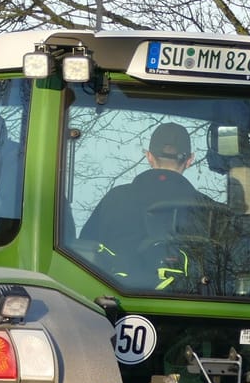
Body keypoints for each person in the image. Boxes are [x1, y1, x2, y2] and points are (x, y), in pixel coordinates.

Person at [80, 122, 211, 285]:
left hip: (114, 301)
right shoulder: (208, 210)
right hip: (195, 303)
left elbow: (82, 252)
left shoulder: (114, 199)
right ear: (190, 160)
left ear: (149, 156)